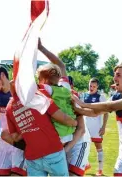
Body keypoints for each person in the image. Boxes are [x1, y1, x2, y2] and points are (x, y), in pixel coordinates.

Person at [37, 38, 90, 176]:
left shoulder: (69, 96)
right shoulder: (63, 89)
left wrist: (65, 150)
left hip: (77, 142)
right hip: (61, 141)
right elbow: (61, 65)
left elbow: (81, 129)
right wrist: (41, 48)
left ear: (43, 81)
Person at [3, 81, 75, 176]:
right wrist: (75, 122)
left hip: (33, 156)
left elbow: (15, 137)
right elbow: (62, 118)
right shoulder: (38, 94)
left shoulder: (9, 107)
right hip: (52, 150)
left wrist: (27, 128)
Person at [81, 77, 109, 176]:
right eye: (90, 86)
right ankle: (85, 165)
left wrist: (104, 127)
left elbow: (106, 113)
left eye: (94, 86)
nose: (91, 88)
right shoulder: (83, 95)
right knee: (82, 147)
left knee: (98, 147)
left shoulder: (101, 97)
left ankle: (100, 170)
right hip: (84, 127)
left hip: (96, 127)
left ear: (97, 86)